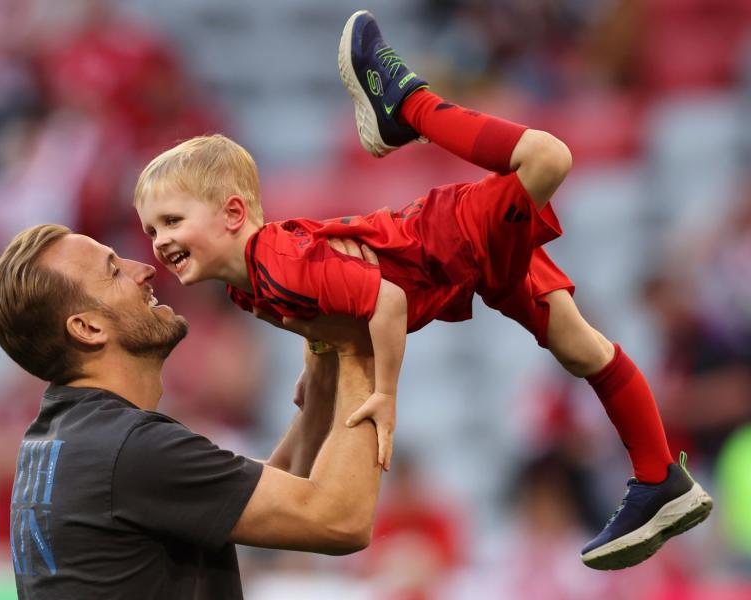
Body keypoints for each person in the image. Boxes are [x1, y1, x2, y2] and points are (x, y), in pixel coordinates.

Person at [131, 9, 713, 570]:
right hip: (461, 268)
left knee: (547, 157)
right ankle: (662, 478)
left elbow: (386, 299)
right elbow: (326, 341)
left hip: (441, 242)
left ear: (233, 213)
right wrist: (269, 476)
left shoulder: (273, 264)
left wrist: (384, 392)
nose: (159, 241)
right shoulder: (250, 289)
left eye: (173, 222)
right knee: (583, 349)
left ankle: (408, 104)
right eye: (152, 229)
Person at [0, 223, 383, 599]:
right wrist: (358, 351)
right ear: (87, 328)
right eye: (114, 271)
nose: (144, 269)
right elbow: (340, 519)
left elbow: (273, 492)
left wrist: (323, 360)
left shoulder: (64, 441)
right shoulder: (126, 449)